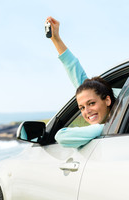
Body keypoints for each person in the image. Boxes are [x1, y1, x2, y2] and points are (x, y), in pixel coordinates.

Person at [45, 17, 116, 148]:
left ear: (107, 100)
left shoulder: (123, 97)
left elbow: (61, 136)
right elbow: (75, 70)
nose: (87, 111)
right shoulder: (106, 100)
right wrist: (55, 39)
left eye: (91, 103)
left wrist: (104, 127)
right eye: (82, 108)